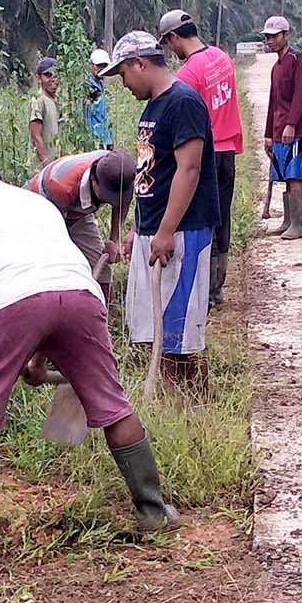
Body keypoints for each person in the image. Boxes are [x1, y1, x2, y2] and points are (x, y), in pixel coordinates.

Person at [0, 159, 178, 550]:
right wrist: (35, 358)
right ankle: (154, 512)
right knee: (113, 404)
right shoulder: (34, 203)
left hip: (9, 302)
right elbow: (49, 291)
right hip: (81, 294)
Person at [108, 30, 219, 380]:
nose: (123, 83)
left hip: (183, 231)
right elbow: (151, 172)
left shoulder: (183, 102)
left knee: (178, 335)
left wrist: (167, 230)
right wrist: (136, 228)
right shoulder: (154, 107)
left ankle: (188, 406)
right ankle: (173, 401)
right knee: (155, 328)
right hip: (154, 230)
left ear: (139, 63)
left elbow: (189, 169)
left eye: (123, 73)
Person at [159, 9, 242, 310]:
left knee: (203, 219)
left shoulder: (188, 74)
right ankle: (217, 287)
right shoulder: (222, 57)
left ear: (173, 37)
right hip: (228, 150)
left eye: (168, 44)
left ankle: (203, 290)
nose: (170, 51)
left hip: (205, 156)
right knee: (223, 217)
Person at [25, 147, 136, 291]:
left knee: (100, 268)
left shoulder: (120, 170)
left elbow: (122, 201)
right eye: (108, 196)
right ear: (94, 180)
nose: (111, 201)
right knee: (55, 270)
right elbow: (57, 239)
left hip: (76, 211)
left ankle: (105, 310)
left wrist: (114, 239)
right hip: (39, 210)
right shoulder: (62, 186)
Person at [262, 15, 302, 239]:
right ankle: (287, 220)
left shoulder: (298, 60)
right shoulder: (276, 67)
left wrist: (291, 124)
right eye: (267, 37)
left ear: (286, 36)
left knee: (295, 175)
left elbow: (301, 94)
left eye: (274, 36)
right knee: (283, 175)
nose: (270, 41)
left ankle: (298, 224)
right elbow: (273, 101)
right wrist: (268, 134)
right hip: (278, 130)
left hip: (296, 130)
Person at [28, 56, 62, 165]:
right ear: (39, 78)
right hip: (42, 167)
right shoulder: (38, 100)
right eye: (47, 75)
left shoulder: (57, 100)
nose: (53, 79)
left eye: (55, 75)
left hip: (56, 163)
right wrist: (46, 164)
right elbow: (36, 136)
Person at [82, 51, 114, 148]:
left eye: (104, 66)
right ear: (91, 65)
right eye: (99, 65)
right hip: (95, 139)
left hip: (106, 138)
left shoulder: (102, 86)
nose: (102, 69)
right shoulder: (87, 86)